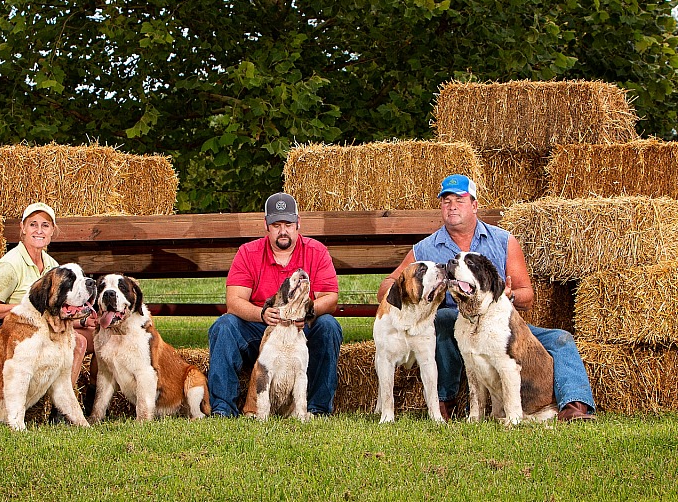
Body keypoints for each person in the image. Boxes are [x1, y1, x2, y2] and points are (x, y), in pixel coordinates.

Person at [377, 175, 596, 422]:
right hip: (460, 325)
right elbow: (387, 286)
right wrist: (402, 297)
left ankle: (575, 405)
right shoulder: (425, 249)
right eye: (446, 201)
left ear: (475, 205)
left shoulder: (503, 240)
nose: (452, 206)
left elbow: (527, 294)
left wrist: (509, 294)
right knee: (445, 318)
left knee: (560, 338)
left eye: (459, 200)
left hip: (499, 325)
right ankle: (443, 402)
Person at [207, 192, 343, 417]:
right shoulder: (248, 252)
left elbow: (330, 297)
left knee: (328, 325)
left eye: (288, 224)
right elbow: (233, 301)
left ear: (298, 223)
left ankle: (317, 409)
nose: (283, 230)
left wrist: (306, 313)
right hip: (262, 328)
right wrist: (261, 314)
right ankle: (223, 409)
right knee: (225, 325)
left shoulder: (316, 251)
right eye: (276, 224)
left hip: (300, 328)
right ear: (266, 225)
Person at [0, 202, 97, 417]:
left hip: (44, 328)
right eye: (33, 224)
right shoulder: (11, 264)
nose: (39, 230)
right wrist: (26, 309)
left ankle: (92, 405)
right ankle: (58, 414)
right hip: (14, 331)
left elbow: (55, 309)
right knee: (77, 342)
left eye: (45, 225)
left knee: (99, 336)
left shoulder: (51, 264)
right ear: (22, 228)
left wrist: (81, 319)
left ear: (53, 231)